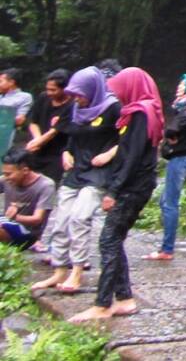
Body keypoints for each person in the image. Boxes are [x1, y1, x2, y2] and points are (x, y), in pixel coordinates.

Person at [70, 67, 162, 322]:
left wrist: (113, 190)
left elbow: (131, 156)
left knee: (108, 240)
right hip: (136, 184)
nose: (115, 94)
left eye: (118, 89)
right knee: (114, 239)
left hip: (133, 186)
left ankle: (102, 305)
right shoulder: (142, 110)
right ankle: (125, 299)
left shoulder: (141, 113)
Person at [31, 66, 120, 294]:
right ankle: (59, 269)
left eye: (80, 94)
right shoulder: (76, 107)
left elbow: (128, 139)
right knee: (61, 220)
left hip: (98, 172)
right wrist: (66, 152)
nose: (76, 99)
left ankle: (77, 271)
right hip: (75, 169)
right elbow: (72, 135)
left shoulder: (112, 108)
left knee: (80, 218)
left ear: (92, 90)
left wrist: (110, 154)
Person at [146, 74, 186, 261]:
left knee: (169, 203)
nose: (179, 87)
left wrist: (171, 132)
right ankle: (166, 246)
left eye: (183, 85)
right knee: (166, 201)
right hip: (185, 158)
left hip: (181, 158)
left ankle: (167, 250)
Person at [0, 149, 56, 250]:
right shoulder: (5, 180)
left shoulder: (45, 185)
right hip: (5, 223)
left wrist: (15, 217)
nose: (6, 177)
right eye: (4, 174)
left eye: (9, 174)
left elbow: (37, 219)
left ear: (25, 170)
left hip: (28, 233)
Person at [25, 69, 73, 184]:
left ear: (65, 89)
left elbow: (55, 130)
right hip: (37, 150)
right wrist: (37, 139)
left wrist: (39, 142)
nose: (49, 93)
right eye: (47, 89)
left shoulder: (72, 105)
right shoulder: (43, 97)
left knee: (49, 185)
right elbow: (33, 121)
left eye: (53, 90)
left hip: (56, 153)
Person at [0, 68, 33, 151]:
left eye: (1, 81)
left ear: (11, 82)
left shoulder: (24, 97)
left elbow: (19, 120)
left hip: (10, 137)